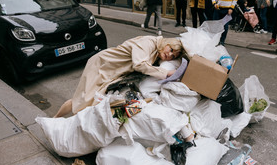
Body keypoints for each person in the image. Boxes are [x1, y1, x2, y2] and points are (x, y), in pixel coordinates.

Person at [54, 36, 184, 118]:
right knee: (82, 98)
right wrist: (166, 72)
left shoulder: (157, 52)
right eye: (171, 50)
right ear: (167, 43)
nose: (170, 55)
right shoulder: (148, 43)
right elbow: (139, 64)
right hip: (101, 65)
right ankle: (56, 119)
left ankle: (72, 124)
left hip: (111, 72)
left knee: (90, 100)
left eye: (173, 56)